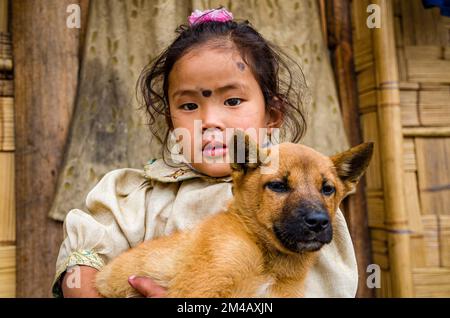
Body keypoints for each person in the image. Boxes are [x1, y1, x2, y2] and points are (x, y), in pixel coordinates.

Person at [52, 7, 358, 298]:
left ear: (272, 115)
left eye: (233, 101)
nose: (210, 121)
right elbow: (82, 266)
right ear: (172, 123)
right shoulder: (135, 196)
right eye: (189, 106)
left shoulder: (312, 208)